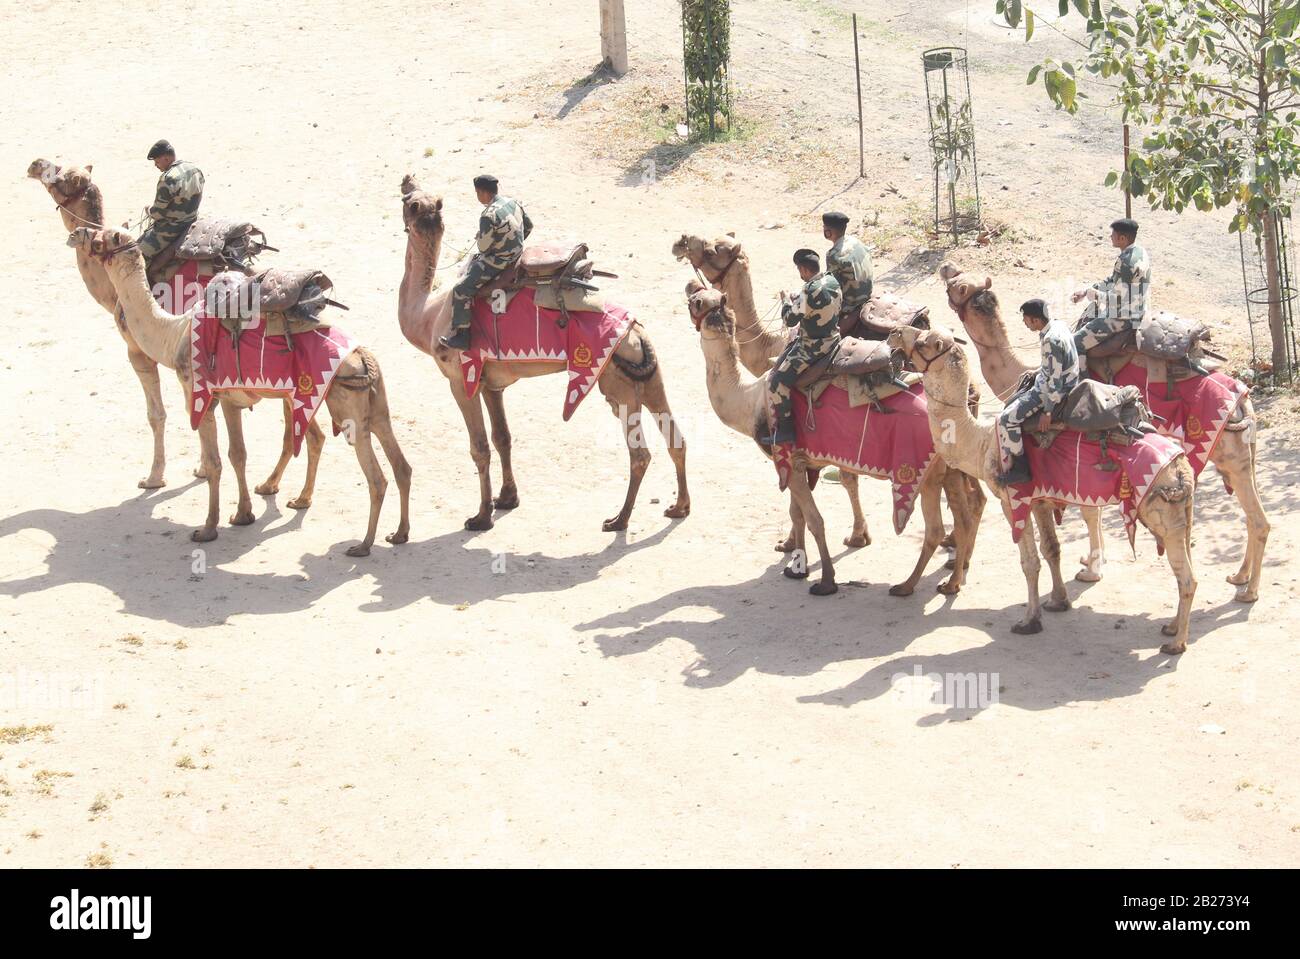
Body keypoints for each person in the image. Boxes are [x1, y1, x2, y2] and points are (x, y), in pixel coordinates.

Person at [440, 174, 534, 351]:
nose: (477, 196)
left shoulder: (487, 215)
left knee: (461, 289)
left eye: (477, 192)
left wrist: (482, 238)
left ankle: (462, 336)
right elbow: (529, 226)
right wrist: (513, 242)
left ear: (483, 193)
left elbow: (484, 248)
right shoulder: (513, 202)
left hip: (500, 260)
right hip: (518, 253)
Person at [996, 298, 1080, 486]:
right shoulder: (1058, 325)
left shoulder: (1050, 340)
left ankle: (1020, 469)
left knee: (1006, 419)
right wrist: (1039, 371)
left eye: (1025, 319)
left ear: (1035, 320)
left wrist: (1048, 411)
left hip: (1054, 390)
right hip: (1067, 379)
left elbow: (1055, 381)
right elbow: (1054, 366)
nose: (1024, 323)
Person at [766, 249, 842, 446]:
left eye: (800, 269)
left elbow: (790, 320)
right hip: (834, 338)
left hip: (813, 346)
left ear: (805, 270)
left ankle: (786, 430)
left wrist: (785, 302)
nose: (800, 273)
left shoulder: (808, 290)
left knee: (776, 382)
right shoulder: (832, 280)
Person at [1072, 217, 1150, 355]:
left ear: (1122, 239)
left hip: (1123, 316)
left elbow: (1117, 301)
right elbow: (1113, 281)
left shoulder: (1126, 263)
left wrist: (1094, 295)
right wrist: (1086, 291)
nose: (1110, 237)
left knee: (1074, 344)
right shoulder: (1139, 251)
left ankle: (1082, 376)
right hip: (1137, 307)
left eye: (1113, 235)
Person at [137, 140, 204, 275]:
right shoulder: (195, 169)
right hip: (192, 221)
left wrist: (149, 211)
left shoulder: (168, 179)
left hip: (171, 230)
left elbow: (158, 213)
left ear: (166, 158)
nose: (156, 166)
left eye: (157, 162)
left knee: (136, 257)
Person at [822, 211, 873, 335]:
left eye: (824, 228)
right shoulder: (855, 242)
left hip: (851, 304)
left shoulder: (834, 255)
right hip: (867, 293)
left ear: (828, 232)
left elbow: (832, 288)